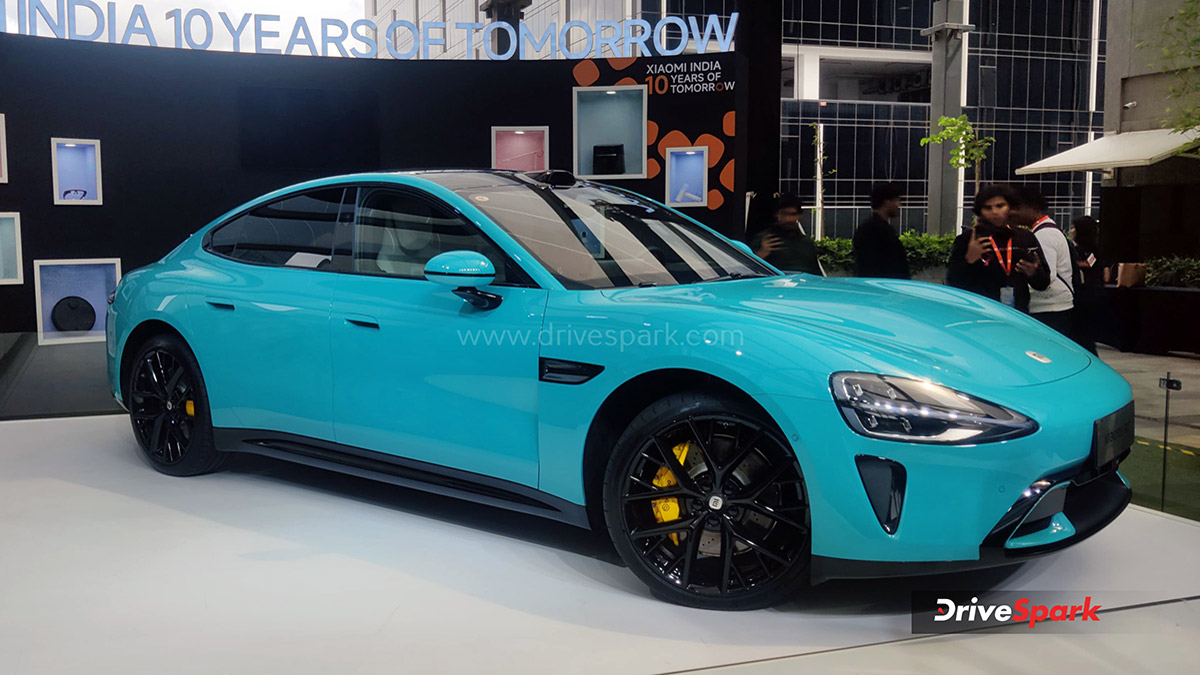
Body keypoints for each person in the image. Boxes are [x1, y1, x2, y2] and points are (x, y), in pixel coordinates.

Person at [946, 184, 1051, 313]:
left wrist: (1033, 273)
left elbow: (1043, 283)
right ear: (980, 211)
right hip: (980, 311)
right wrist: (969, 260)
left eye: (1000, 206)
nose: (995, 212)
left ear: (1010, 207)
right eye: (988, 208)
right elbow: (953, 282)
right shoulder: (967, 239)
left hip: (1017, 313)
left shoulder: (1025, 237)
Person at [1008, 186, 1081, 344]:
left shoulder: (1043, 234)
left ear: (1032, 207)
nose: (1011, 213)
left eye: (1016, 208)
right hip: (1055, 306)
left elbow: (1048, 277)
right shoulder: (1047, 228)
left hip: (1049, 308)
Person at [749, 195, 823, 275]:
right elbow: (748, 269)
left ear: (799, 216)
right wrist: (762, 253)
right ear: (777, 215)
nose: (789, 219)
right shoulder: (765, 240)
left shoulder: (806, 243)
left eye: (793, 214)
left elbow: (817, 275)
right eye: (785, 214)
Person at [853, 182, 911, 279]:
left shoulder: (865, 229)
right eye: (896, 200)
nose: (898, 204)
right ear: (887, 201)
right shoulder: (879, 231)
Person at [1070, 215, 1105, 352]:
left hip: (1086, 294)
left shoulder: (1091, 250)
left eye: (1074, 228)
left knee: (1083, 333)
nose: (1071, 231)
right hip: (1089, 294)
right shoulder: (1080, 248)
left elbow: (1089, 264)